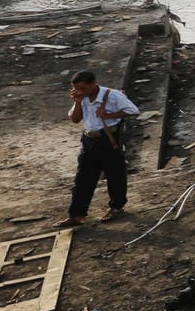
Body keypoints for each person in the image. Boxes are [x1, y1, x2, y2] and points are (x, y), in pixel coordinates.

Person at [57, 70, 138, 227]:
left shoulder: (113, 95)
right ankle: (77, 214)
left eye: (82, 88)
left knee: (115, 175)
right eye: (76, 88)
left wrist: (108, 115)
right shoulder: (82, 97)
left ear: (93, 84)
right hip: (88, 139)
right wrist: (78, 101)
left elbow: (133, 111)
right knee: (82, 178)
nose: (79, 91)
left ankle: (116, 207)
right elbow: (75, 119)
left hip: (107, 139)